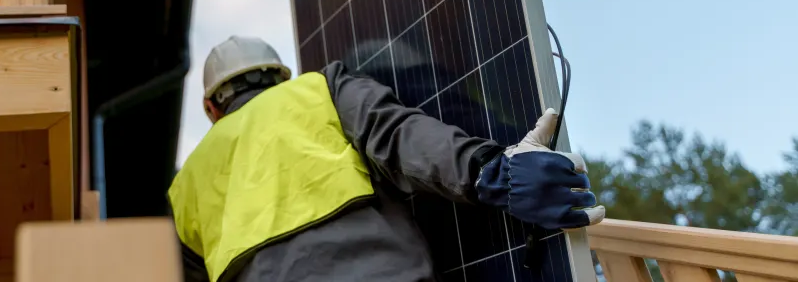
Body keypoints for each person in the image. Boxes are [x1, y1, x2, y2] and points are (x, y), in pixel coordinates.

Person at [168, 36, 605, 282]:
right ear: (281, 75)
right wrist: (492, 171)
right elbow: (401, 137)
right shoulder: (317, 88)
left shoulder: (183, 187)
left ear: (211, 108)